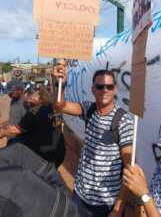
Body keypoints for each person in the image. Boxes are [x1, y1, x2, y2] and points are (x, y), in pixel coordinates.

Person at [54, 62, 134, 217]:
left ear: (115, 89)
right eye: (100, 87)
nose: (105, 90)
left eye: (109, 87)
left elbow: (128, 169)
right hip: (80, 194)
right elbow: (60, 106)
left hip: (105, 203)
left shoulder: (123, 120)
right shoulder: (88, 109)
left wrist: (117, 209)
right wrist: (61, 84)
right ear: (93, 90)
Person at [0, 87, 65, 167]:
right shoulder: (52, 107)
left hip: (44, 155)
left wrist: (2, 133)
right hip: (59, 152)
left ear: (39, 97)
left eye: (33, 94)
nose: (28, 96)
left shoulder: (35, 111)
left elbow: (16, 130)